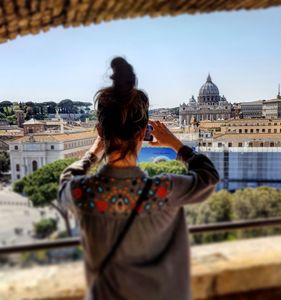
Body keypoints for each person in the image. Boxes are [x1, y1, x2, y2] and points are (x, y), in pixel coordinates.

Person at [58, 57, 219, 300]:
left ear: (100, 131)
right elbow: (208, 176)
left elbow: (67, 179)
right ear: (144, 132)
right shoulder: (166, 189)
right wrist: (176, 144)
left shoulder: (81, 193)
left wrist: (94, 151)